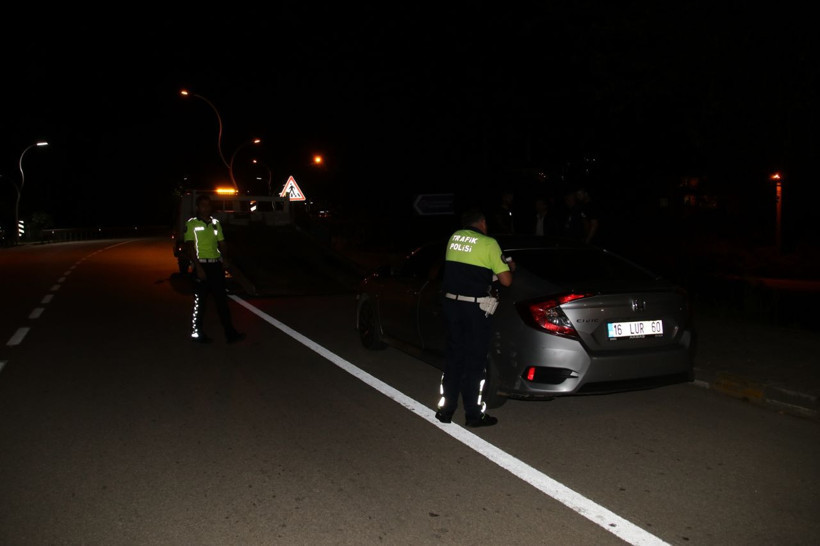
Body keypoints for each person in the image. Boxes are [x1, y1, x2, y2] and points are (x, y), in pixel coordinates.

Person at [435, 208, 514, 428]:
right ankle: (473, 415)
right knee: (475, 362)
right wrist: (507, 267)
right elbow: (506, 281)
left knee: (454, 358)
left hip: (452, 305)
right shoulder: (489, 243)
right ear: (482, 223)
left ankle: (445, 410)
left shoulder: (454, 238)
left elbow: (468, 271)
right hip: (474, 310)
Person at [184, 194, 246, 344]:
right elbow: (190, 246)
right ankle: (197, 333)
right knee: (201, 302)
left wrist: (225, 259)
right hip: (201, 265)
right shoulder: (192, 223)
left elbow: (222, 243)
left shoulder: (215, 223)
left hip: (215, 266)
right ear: (198, 208)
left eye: (208, 205)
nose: (206, 208)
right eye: (203, 205)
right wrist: (197, 267)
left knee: (222, 301)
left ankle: (230, 333)